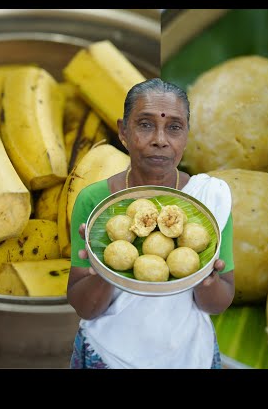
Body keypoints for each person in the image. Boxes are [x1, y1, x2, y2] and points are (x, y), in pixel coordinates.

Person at [67, 78, 235, 369]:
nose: (160, 139)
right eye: (145, 125)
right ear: (123, 131)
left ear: (186, 135)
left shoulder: (208, 201)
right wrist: (102, 271)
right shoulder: (94, 202)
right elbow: (84, 307)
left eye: (174, 127)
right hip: (108, 355)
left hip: (187, 354)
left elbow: (218, 303)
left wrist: (206, 278)